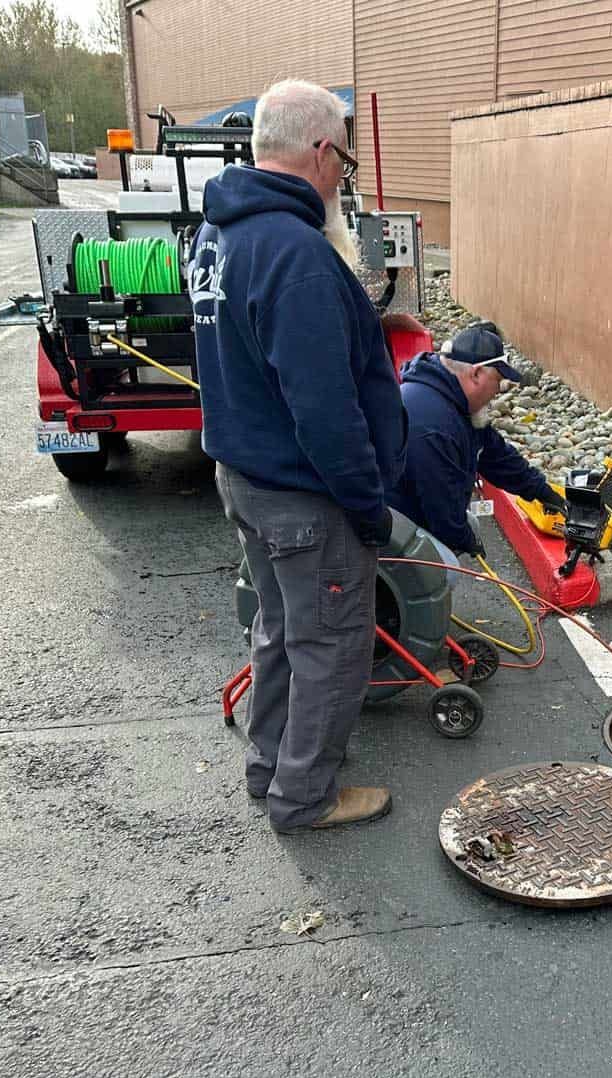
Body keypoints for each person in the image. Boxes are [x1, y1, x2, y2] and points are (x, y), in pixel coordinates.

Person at [190, 79, 412, 834]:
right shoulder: (298, 256)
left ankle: (270, 767)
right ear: (322, 153)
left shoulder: (220, 235)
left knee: (282, 632)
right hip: (304, 495)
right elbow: (326, 411)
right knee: (333, 646)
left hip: (246, 478)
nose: (342, 179)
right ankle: (304, 797)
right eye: (344, 162)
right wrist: (367, 505)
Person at [386, 326, 564, 559]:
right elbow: (441, 508)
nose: (500, 390)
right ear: (476, 374)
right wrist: (466, 541)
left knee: (469, 525)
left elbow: (496, 456)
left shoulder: (456, 402)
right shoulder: (433, 424)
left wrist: (543, 492)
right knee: (449, 567)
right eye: (498, 380)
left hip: (414, 507)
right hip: (387, 527)